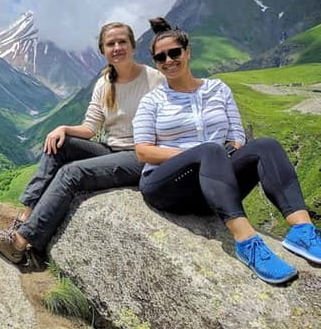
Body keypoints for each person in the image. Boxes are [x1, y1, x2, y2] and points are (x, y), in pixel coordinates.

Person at [133, 17, 321, 284]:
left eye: (174, 53)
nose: (168, 61)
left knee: (266, 145)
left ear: (187, 52)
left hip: (213, 185)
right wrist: (197, 157)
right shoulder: (152, 100)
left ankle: (302, 230)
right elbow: (143, 151)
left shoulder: (218, 89)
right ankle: (247, 243)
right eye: (160, 57)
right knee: (210, 150)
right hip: (168, 185)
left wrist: (220, 159)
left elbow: (236, 138)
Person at [0, 22, 164, 265]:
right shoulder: (105, 83)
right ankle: (25, 218)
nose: (117, 47)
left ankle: (20, 243)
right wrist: (63, 129)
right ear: (103, 50)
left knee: (71, 173)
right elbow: (90, 128)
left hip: (139, 155)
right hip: (111, 149)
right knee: (60, 144)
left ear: (133, 46)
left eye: (122, 42)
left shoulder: (154, 79)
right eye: (111, 43)